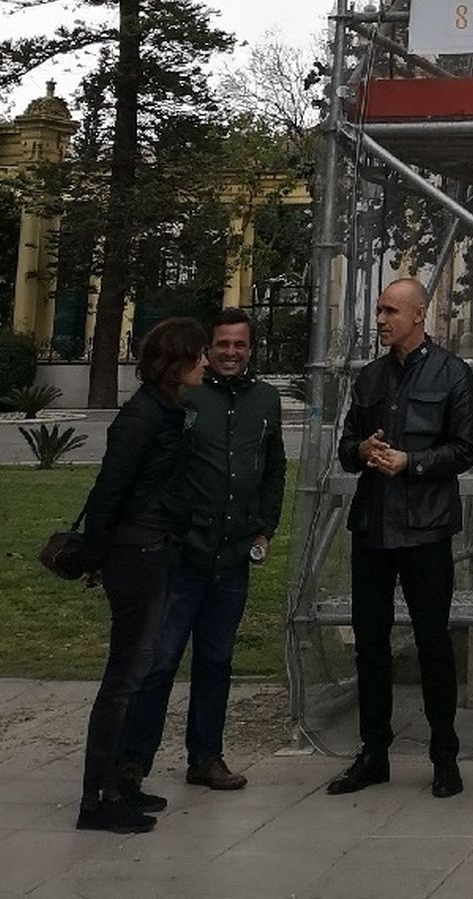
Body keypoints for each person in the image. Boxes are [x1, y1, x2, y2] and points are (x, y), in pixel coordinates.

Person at [120, 306, 286, 797]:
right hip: (182, 553)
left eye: (240, 344)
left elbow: (274, 467)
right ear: (207, 350)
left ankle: (206, 758)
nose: (231, 352)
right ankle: (133, 761)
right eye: (222, 344)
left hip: (233, 555)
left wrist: (265, 527)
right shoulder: (186, 394)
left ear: (251, 349)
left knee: (216, 661)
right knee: (160, 660)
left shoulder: (266, 400)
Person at [328, 277, 473, 799]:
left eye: (391, 311)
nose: (381, 320)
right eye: (379, 310)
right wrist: (362, 450)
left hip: (426, 529)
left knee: (433, 641)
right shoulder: (370, 377)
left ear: (419, 315)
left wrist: (412, 462)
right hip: (373, 526)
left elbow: (464, 450)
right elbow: (346, 447)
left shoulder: (452, 373)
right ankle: (373, 753)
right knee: (370, 644)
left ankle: (444, 755)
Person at [76, 317, 206, 835]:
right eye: (197, 354)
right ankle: (97, 797)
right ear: (177, 361)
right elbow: (111, 486)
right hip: (138, 553)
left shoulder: (166, 412)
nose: (204, 362)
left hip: (156, 547)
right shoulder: (144, 416)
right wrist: (95, 552)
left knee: (138, 670)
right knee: (124, 676)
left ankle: (117, 783)